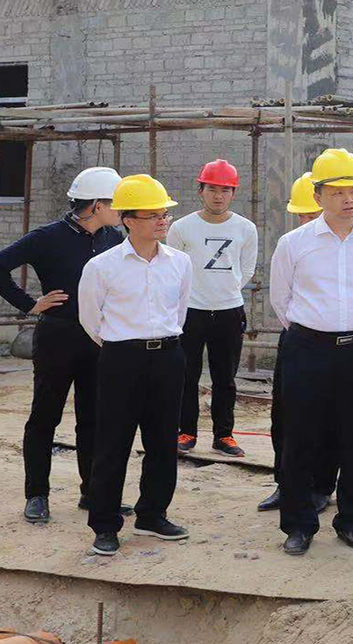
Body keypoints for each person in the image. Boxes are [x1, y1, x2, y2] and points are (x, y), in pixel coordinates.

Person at [0, 166, 124, 524]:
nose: (122, 210)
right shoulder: (48, 237)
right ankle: (37, 495)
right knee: (45, 417)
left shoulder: (114, 237)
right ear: (96, 205)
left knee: (94, 419)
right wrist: (30, 304)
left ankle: (93, 492)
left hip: (98, 339)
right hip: (57, 337)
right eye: (116, 203)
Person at [270, 149, 353, 554]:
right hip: (308, 348)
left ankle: (352, 519)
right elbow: (281, 300)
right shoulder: (294, 244)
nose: (348, 199)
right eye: (338, 192)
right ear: (318, 195)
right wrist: (315, 332)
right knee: (300, 436)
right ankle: (299, 524)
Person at [78, 174, 193, 556]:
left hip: (168, 356)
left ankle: (153, 514)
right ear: (128, 220)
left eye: (165, 214)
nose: (163, 221)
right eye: (153, 215)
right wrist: (123, 346)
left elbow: (179, 311)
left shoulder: (180, 263)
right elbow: (90, 319)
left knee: (162, 440)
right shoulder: (102, 266)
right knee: (113, 442)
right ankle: (105, 524)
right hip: (121, 359)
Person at [167, 159, 258, 457]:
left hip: (229, 311)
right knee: (186, 375)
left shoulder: (245, 228)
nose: (218, 196)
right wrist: (199, 294)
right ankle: (186, 432)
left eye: (225, 190)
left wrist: (225, 290)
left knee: (225, 378)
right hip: (191, 311)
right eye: (212, 189)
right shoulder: (181, 228)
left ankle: (224, 435)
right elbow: (173, 269)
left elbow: (247, 270)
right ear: (200, 191)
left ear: (233, 193)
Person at [258, 172, 336, 513]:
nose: (305, 221)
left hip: (333, 341)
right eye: (301, 215)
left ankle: (322, 486)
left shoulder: (345, 248)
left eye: (310, 215)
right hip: (297, 337)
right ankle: (286, 483)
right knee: (285, 415)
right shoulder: (292, 244)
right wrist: (301, 331)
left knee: (327, 417)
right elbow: (281, 296)